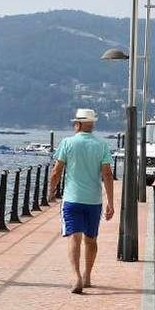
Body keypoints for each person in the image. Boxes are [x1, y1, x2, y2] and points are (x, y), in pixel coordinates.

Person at [48, 108, 115, 294]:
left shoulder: (67, 143)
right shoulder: (102, 145)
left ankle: (76, 276)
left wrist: (51, 190)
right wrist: (111, 202)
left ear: (77, 124)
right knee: (91, 240)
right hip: (93, 201)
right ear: (92, 124)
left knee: (73, 238)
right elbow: (107, 175)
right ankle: (87, 276)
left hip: (72, 199)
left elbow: (56, 171)